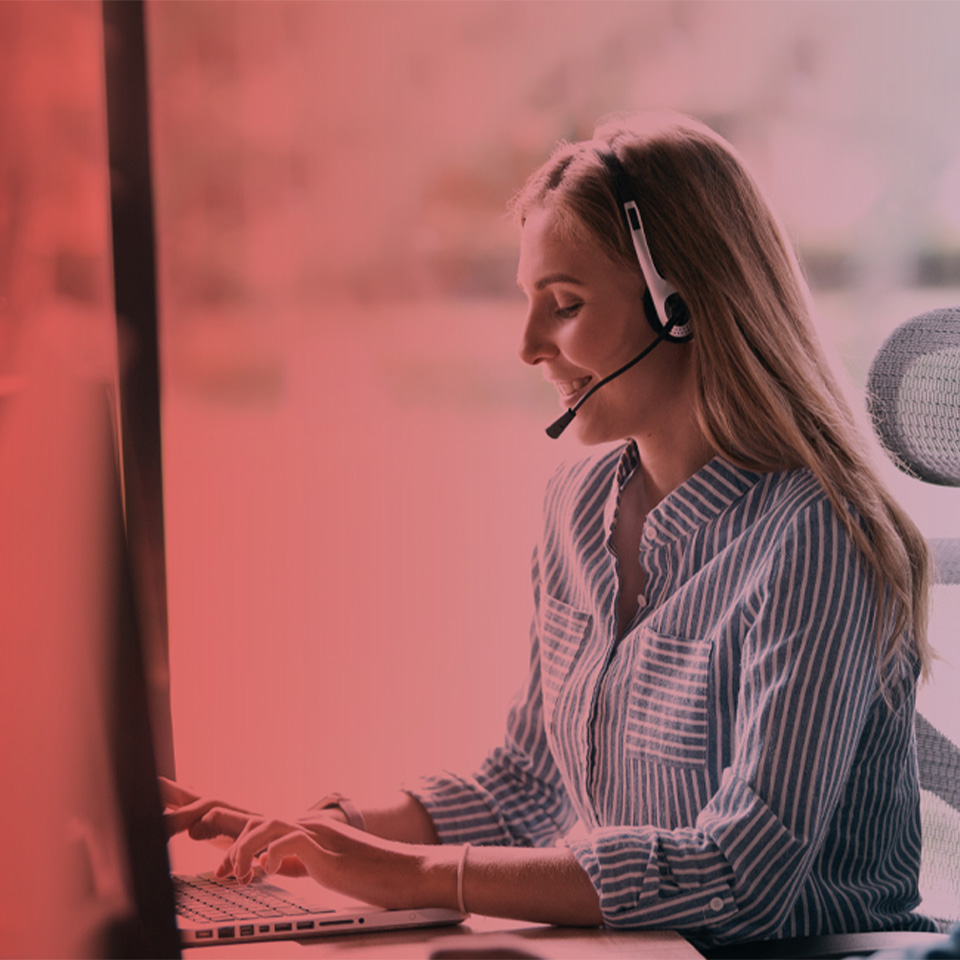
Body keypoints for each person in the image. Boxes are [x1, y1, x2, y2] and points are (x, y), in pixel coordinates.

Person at [164, 112, 937, 948]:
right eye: (529, 302)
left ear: (680, 305)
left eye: (564, 305)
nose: (529, 344)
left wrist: (417, 874)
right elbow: (527, 789)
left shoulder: (817, 535)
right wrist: (323, 834)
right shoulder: (577, 507)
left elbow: (739, 877)